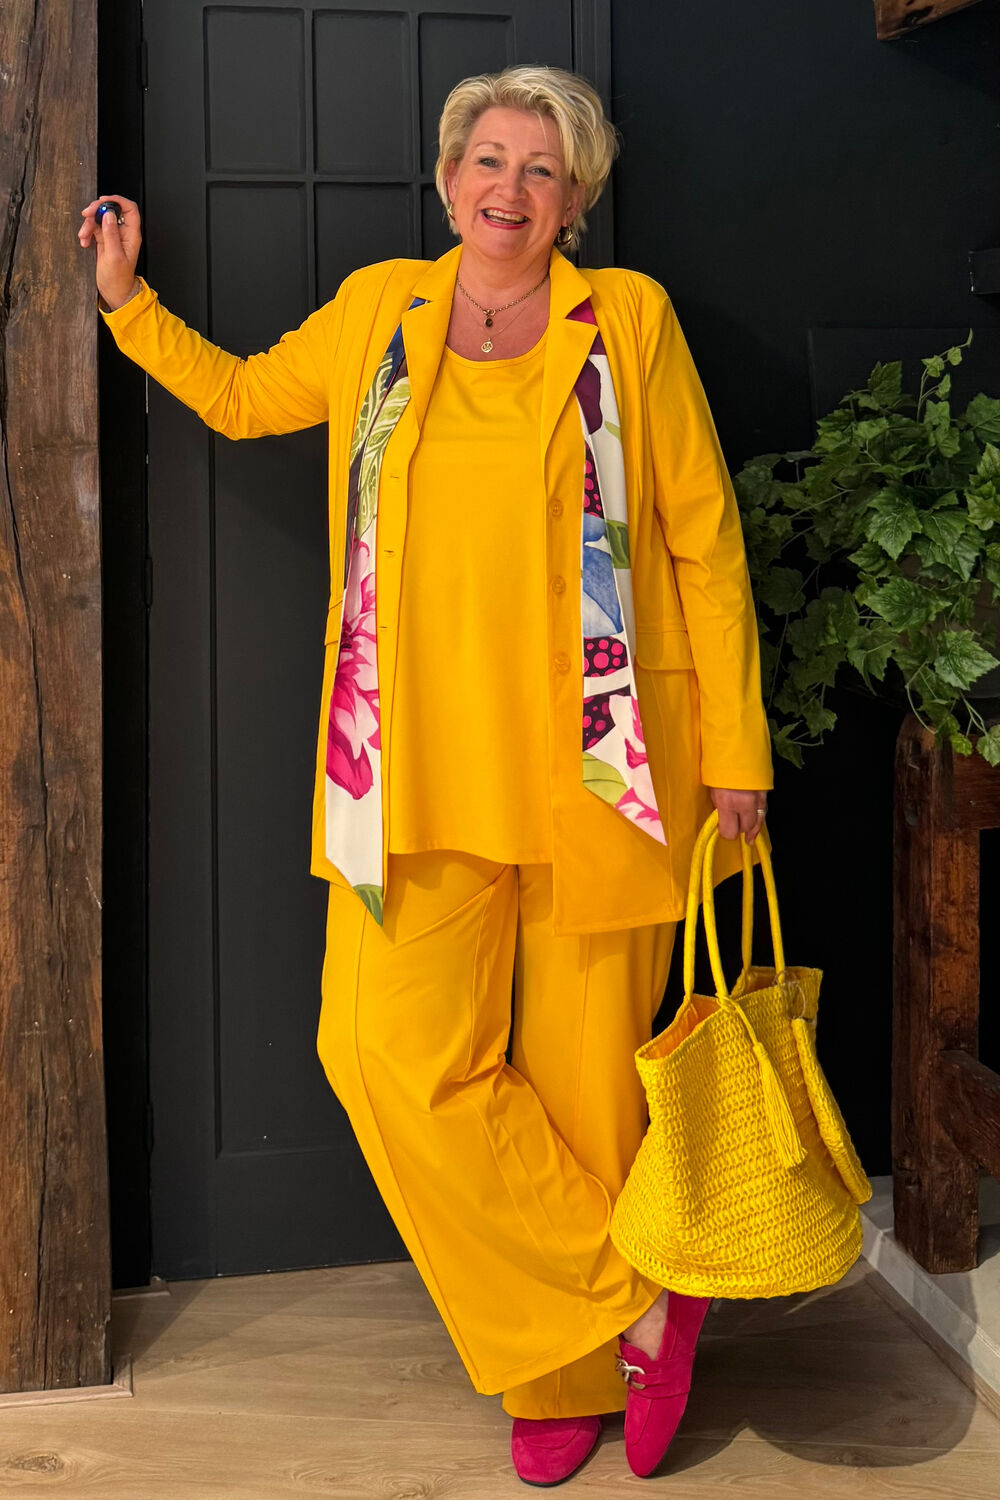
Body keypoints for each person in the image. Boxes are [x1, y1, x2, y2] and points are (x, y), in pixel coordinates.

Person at [81, 64, 772, 1486]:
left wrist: (739, 757)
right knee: (379, 1051)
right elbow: (245, 399)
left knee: (588, 1095)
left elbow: (702, 535)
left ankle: (559, 1378)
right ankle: (630, 1312)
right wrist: (128, 305)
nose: (510, 188)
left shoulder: (629, 319)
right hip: (410, 769)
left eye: (541, 168)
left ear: (575, 199)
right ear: (449, 179)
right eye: (489, 160)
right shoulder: (380, 311)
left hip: (609, 768)